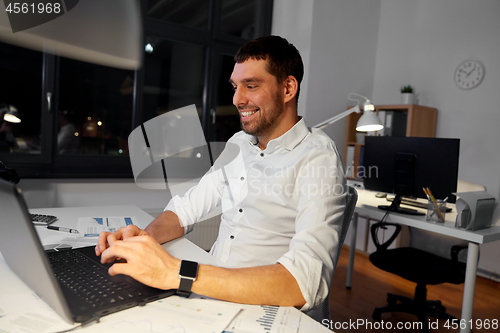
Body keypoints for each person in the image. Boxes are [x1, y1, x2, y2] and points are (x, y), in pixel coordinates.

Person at [96, 35, 346, 313]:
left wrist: (177, 273)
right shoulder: (238, 143)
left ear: (288, 88)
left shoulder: (318, 157)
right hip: (209, 289)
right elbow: (186, 209)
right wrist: (143, 239)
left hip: (260, 307)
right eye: (235, 87)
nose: (238, 99)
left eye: (251, 86)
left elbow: (304, 282)